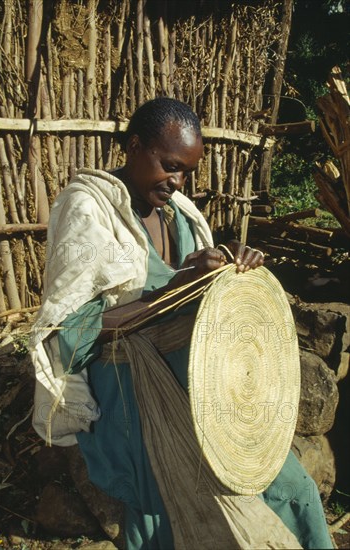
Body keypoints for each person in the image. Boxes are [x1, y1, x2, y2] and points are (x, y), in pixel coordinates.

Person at [30, 97, 332, 549]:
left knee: (291, 490)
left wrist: (232, 267)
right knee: (172, 508)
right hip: (132, 390)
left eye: (186, 171)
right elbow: (69, 331)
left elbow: (202, 300)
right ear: (134, 146)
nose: (177, 181)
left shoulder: (181, 215)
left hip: (209, 384)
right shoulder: (89, 209)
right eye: (170, 165)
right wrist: (173, 290)